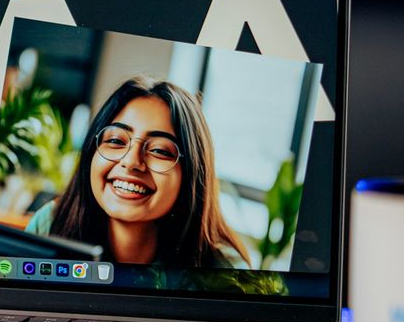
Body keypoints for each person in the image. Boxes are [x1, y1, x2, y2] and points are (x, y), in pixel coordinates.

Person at [26, 76, 249, 268]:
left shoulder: (226, 273)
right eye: (115, 140)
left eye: (160, 151)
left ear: (191, 174)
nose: (131, 161)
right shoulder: (50, 225)